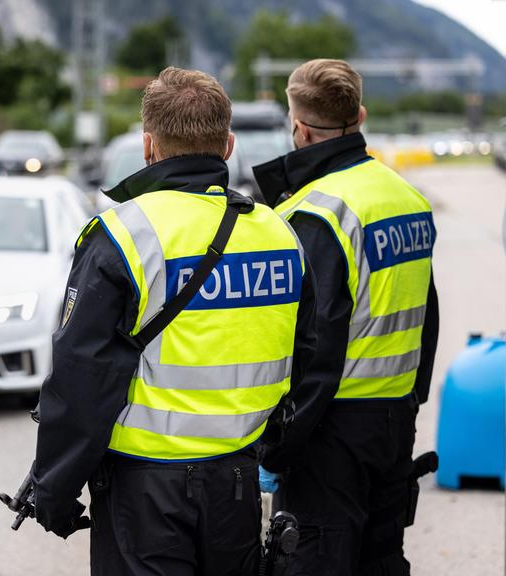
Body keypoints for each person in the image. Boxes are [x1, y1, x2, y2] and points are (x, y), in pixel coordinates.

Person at [32, 66, 318, 576]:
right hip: (237, 479)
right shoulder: (279, 234)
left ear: (148, 146)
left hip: (144, 491)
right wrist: (271, 452)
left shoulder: (123, 234)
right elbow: (308, 354)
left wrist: (54, 487)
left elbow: (81, 376)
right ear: (228, 146)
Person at [253, 59, 439, 575]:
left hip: (330, 431)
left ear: (300, 127)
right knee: (381, 560)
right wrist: (411, 401)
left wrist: (279, 448)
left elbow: (316, 348)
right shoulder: (407, 198)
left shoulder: (316, 214)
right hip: (394, 419)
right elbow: (428, 316)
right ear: (359, 115)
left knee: (318, 561)